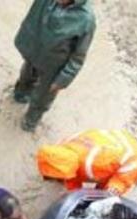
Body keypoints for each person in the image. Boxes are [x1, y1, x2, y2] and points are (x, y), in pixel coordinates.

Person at [13, 0, 96, 131]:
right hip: (34, 50)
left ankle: (30, 122)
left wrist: (63, 79)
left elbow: (78, 55)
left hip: (54, 65)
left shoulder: (86, 20)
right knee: (26, 76)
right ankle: (20, 94)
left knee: (43, 96)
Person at [36, 129, 137, 195]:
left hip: (135, 158)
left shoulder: (94, 165)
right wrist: (73, 190)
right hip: (116, 139)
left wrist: (110, 192)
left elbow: (129, 164)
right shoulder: (63, 146)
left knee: (107, 194)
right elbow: (73, 175)